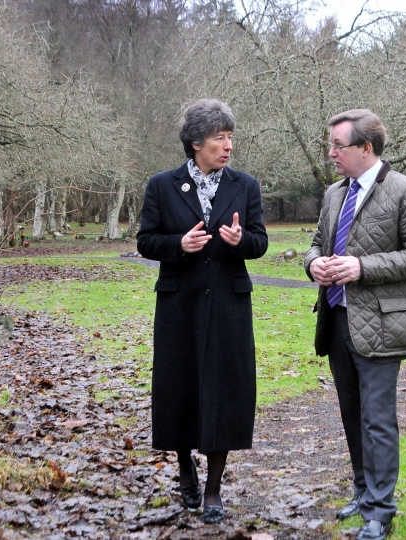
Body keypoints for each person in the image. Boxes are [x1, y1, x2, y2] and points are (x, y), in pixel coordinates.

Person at [304, 109, 406, 540]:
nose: (331, 153)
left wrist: (362, 266)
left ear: (366, 148)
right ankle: (363, 493)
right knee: (351, 413)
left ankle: (380, 510)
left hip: (381, 324)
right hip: (336, 319)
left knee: (378, 419)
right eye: (331, 145)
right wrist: (315, 264)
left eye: (338, 146)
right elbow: (316, 244)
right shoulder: (332, 194)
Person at [136, 99, 268, 524]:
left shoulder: (245, 185)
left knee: (226, 389)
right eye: (219, 138)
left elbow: (260, 242)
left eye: (230, 137)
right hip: (180, 304)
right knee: (180, 387)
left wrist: (239, 240)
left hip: (229, 304)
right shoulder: (162, 185)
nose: (228, 146)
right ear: (196, 143)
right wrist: (178, 245)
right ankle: (185, 467)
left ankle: (213, 488)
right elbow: (146, 241)